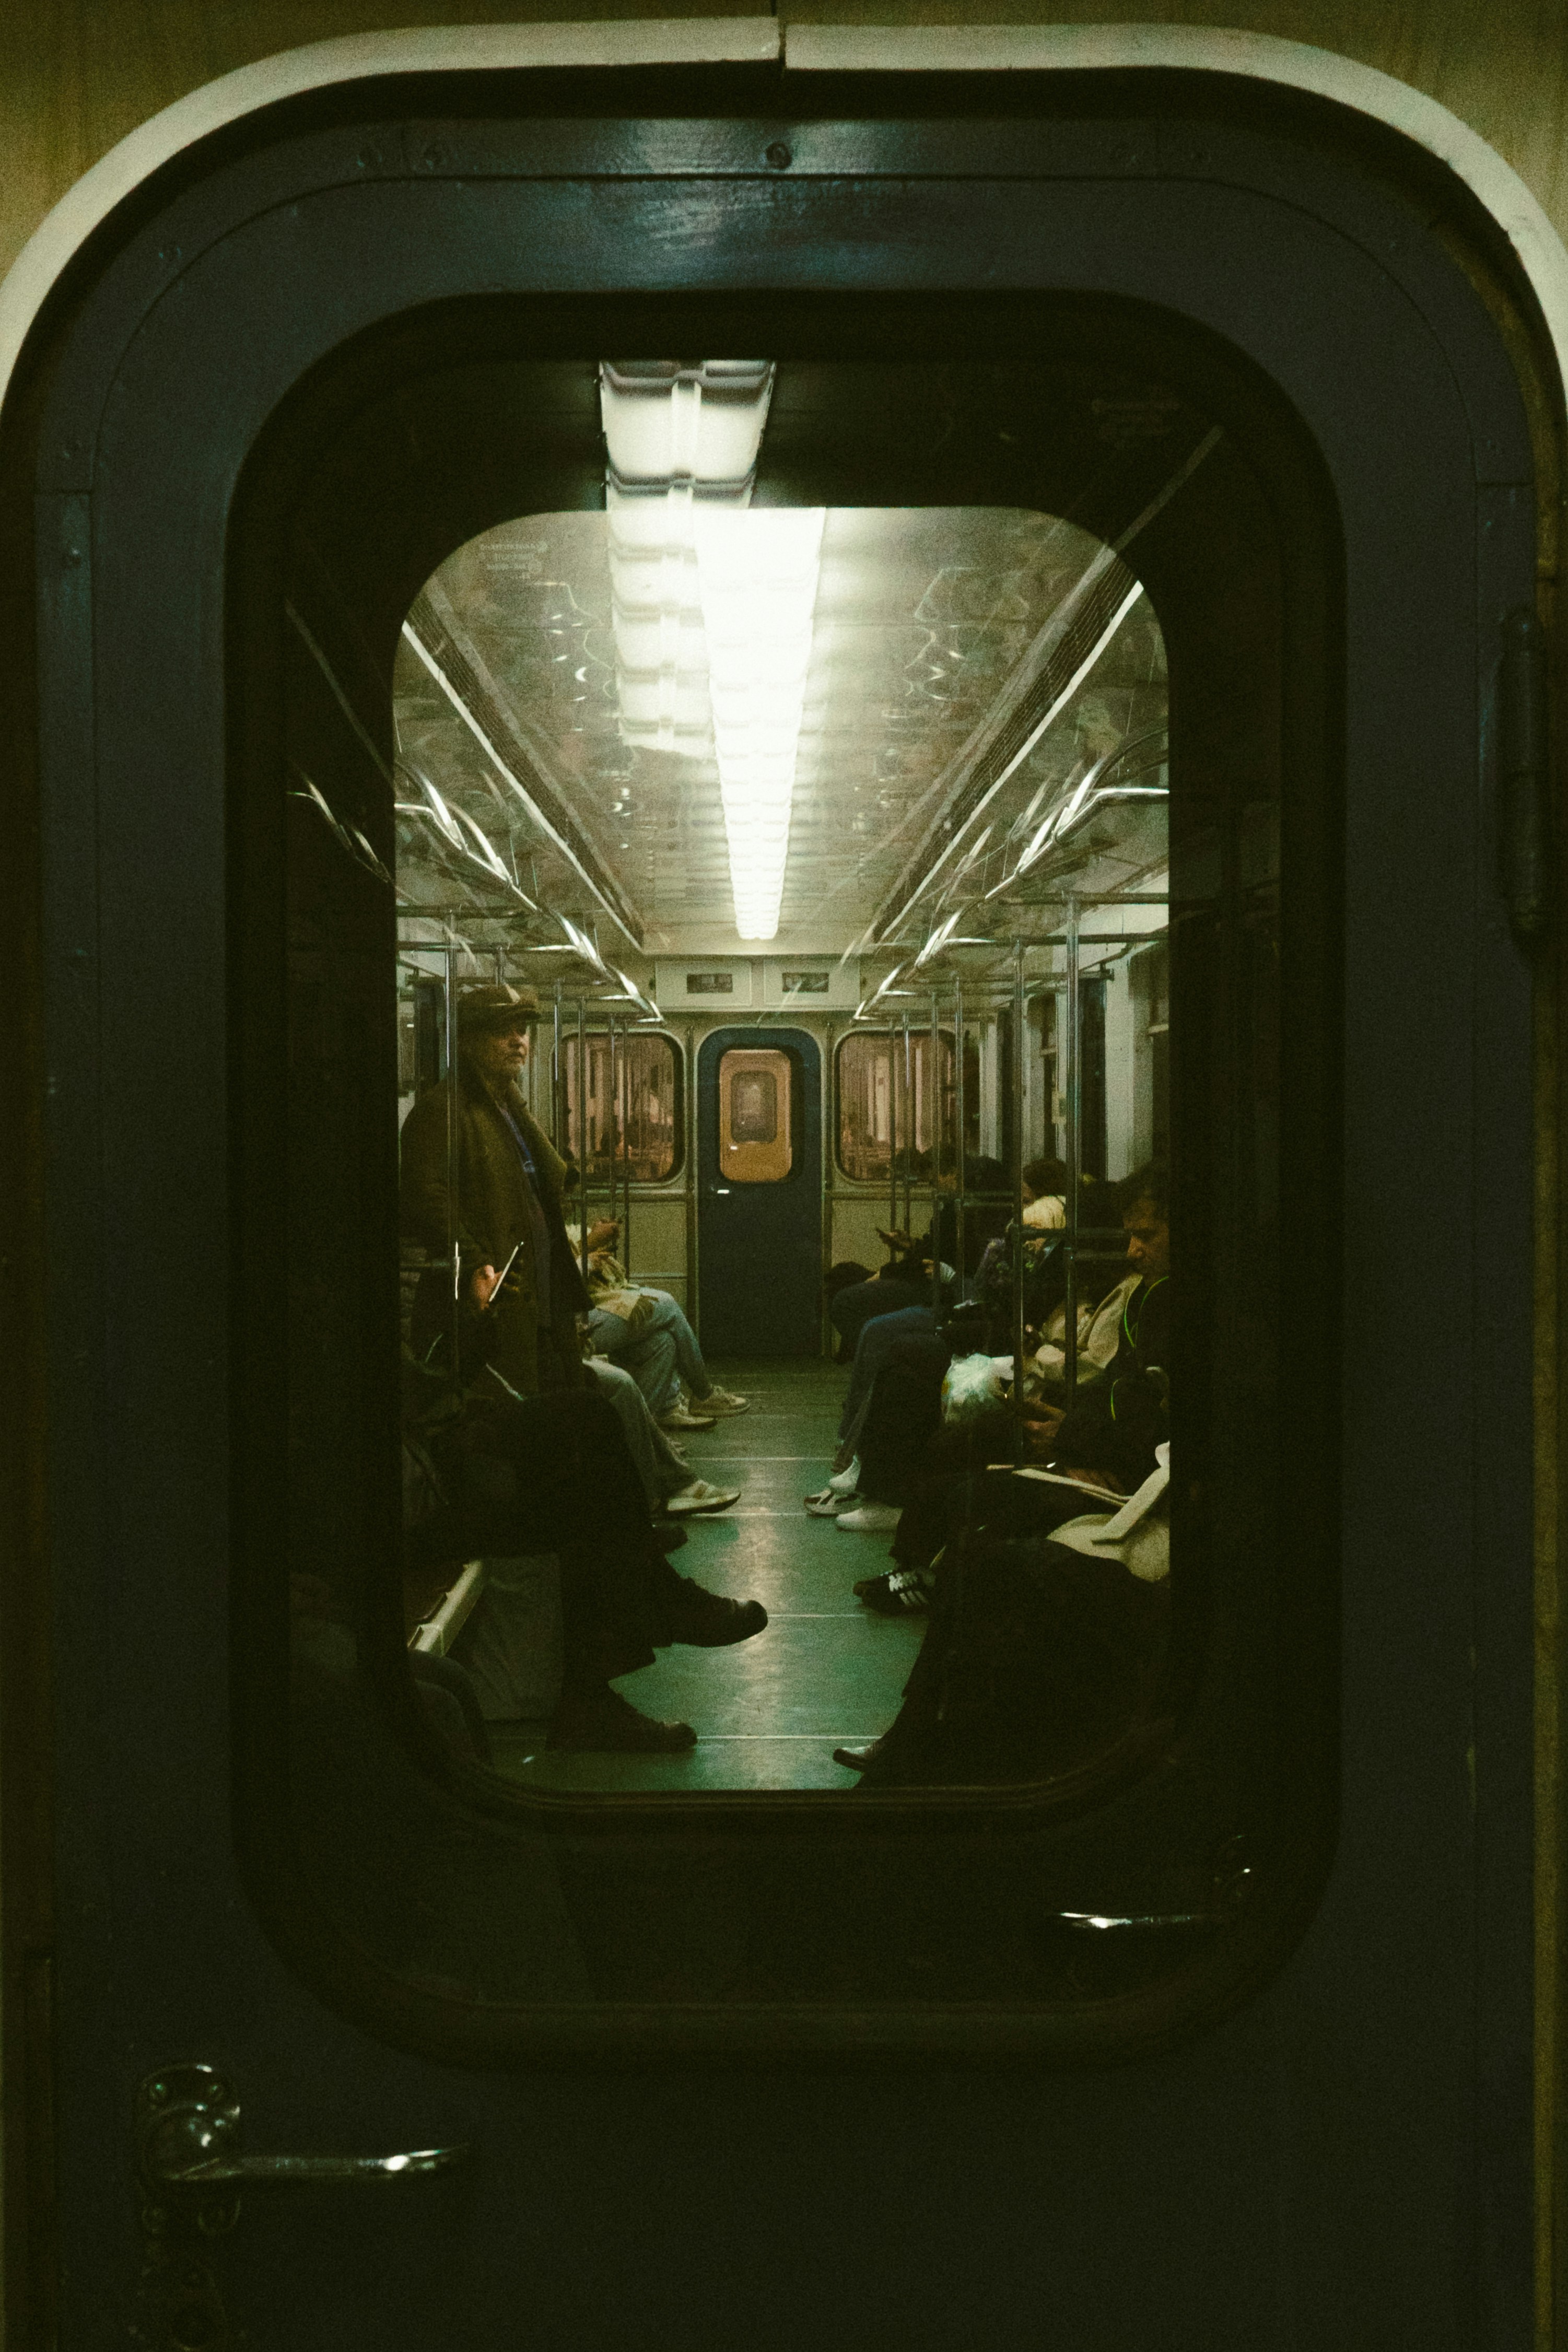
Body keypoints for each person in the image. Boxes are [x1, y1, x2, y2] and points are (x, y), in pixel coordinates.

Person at [399, 984, 767, 1748]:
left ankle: (627, 1625)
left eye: (522, 1031)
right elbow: (433, 1208)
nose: (517, 1042)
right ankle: (640, 1613)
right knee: (583, 1439)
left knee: (591, 1424)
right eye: (500, 1032)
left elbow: (544, 1184)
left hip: (536, 1320)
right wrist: (481, 1279)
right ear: (463, 1039)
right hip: (495, 1325)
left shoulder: (500, 1108)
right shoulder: (444, 1110)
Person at [833, 1163, 1173, 1781]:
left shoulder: (1177, 1307)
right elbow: (1126, 1398)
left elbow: (1145, 1415)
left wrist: (1070, 1433)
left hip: (1136, 1479)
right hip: (1113, 1454)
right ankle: (915, 1722)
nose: (1132, 1250)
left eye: (1147, 1236)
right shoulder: (1151, 1297)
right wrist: (1066, 1423)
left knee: (978, 1539)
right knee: (963, 1481)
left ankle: (917, 1744)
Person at [567, 1213, 748, 1431]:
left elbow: (572, 1252)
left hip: (592, 1312)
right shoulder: (535, 1230)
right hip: (572, 1325)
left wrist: (592, 1238)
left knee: (663, 1343)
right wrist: (588, 1253)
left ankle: (648, 1425)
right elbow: (560, 1286)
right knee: (668, 1305)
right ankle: (704, 1394)